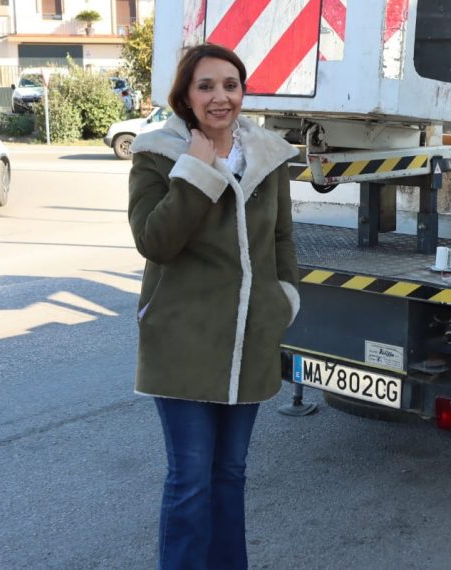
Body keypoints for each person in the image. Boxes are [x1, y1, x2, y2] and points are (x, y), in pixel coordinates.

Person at [127, 43, 301, 570]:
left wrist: (284, 300)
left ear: (243, 92)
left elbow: (283, 242)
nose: (220, 97)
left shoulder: (268, 157)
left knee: (231, 475)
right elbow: (154, 241)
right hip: (182, 344)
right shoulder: (156, 155)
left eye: (231, 85)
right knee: (190, 481)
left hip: (249, 343)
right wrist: (196, 173)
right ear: (185, 96)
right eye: (206, 86)